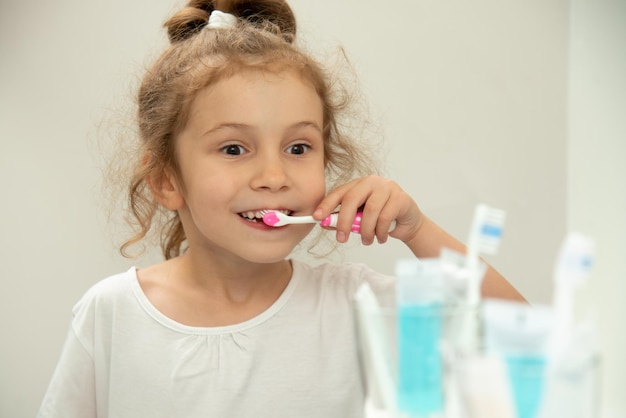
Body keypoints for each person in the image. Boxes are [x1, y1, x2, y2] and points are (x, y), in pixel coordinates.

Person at [38, 1, 525, 417]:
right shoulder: (111, 314)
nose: (275, 176)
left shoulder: (357, 306)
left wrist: (419, 231)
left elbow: (525, 343)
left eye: (297, 148)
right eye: (233, 149)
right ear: (167, 180)